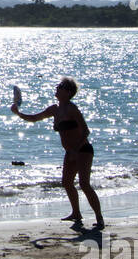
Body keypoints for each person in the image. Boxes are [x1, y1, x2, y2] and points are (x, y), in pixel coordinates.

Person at [12, 76, 104, 230]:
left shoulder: (72, 109)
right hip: (70, 152)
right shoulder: (54, 109)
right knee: (67, 183)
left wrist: (76, 150)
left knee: (84, 184)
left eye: (60, 86)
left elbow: (85, 130)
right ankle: (76, 213)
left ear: (68, 92)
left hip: (83, 150)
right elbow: (35, 118)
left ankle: (99, 218)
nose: (56, 88)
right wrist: (19, 114)